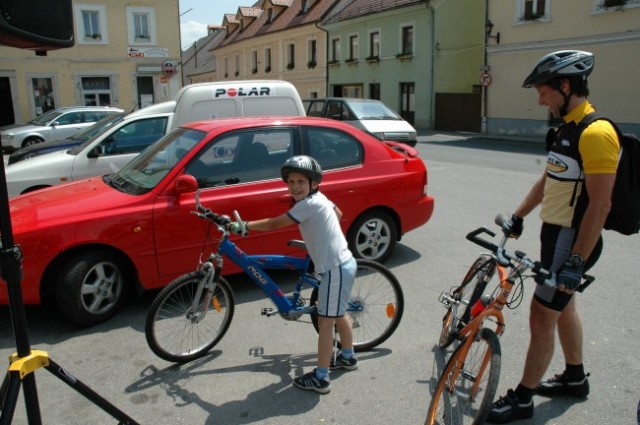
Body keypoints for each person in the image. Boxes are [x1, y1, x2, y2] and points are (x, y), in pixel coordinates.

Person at [487, 50, 620, 423]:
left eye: (543, 91)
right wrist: (518, 215)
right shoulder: (568, 128)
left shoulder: (596, 133)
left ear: (565, 86)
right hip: (554, 236)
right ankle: (575, 378)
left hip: (572, 241)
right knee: (564, 308)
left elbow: (601, 206)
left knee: (541, 314)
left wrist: (575, 263)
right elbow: (550, 181)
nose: (540, 99)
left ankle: (523, 399)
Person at [228, 155, 358, 394]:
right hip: (341, 263)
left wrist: (245, 226)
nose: (295, 186)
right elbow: (337, 214)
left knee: (326, 322)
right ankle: (348, 357)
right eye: (291, 181)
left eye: (301, 181)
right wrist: (320, 237)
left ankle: (321, 377)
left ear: (314, 183)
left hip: (335, 269)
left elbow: (274, 224)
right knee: (339, 314)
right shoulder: (320, 198)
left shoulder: (307, 205)